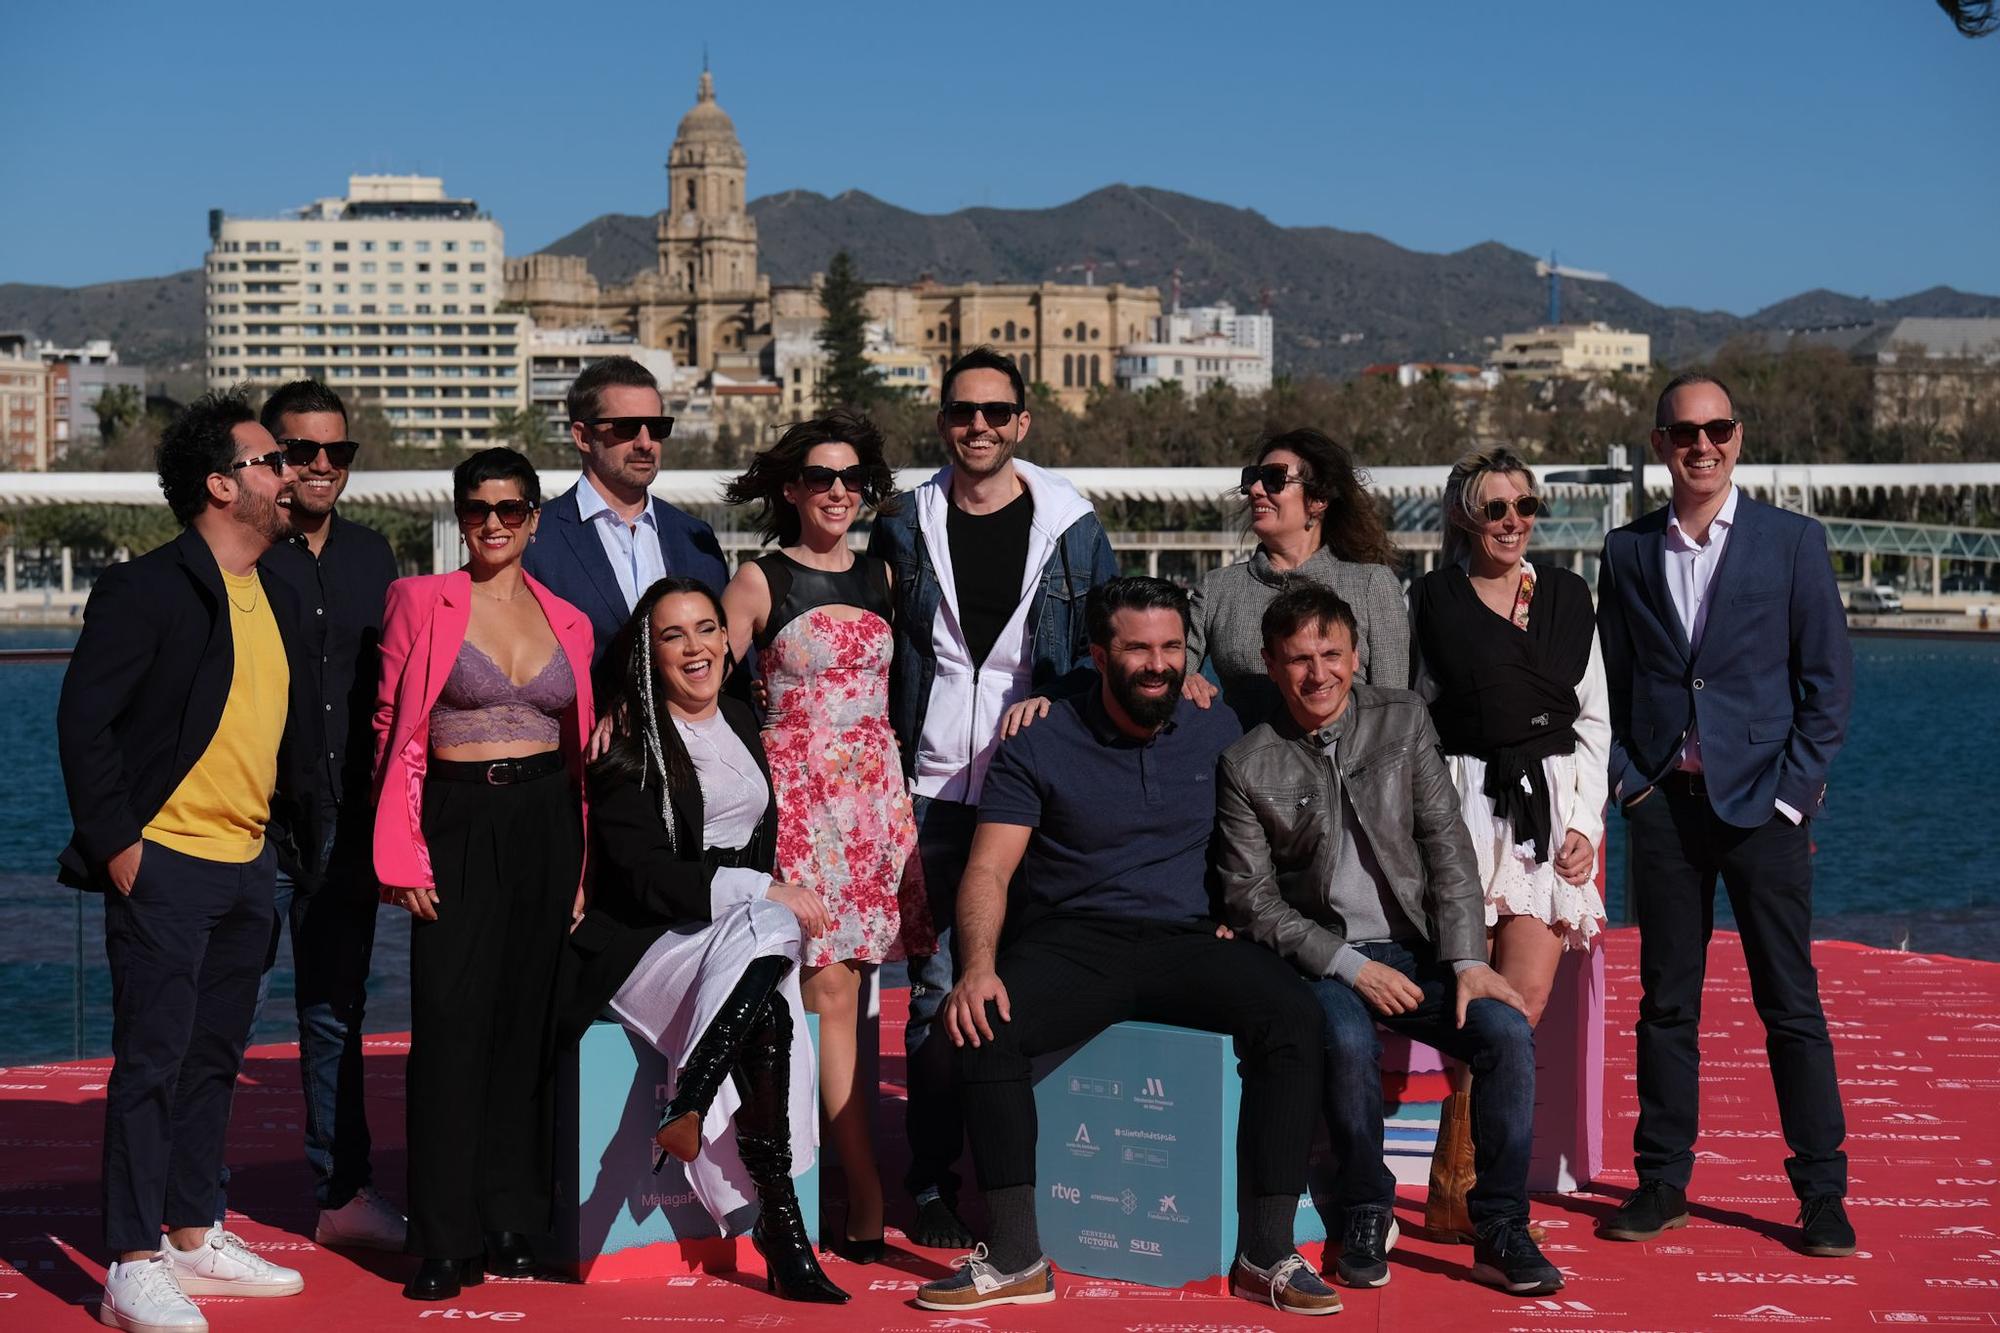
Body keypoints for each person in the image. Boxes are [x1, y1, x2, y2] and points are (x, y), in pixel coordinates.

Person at [914, 577, 1336, 1316]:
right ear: (1097, 655)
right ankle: (1015, 1257)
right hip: (1075, 941)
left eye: (1172, 647)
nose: (1157, 664)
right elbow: (987, 868)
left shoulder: (1218, 720)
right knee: (987, 1025)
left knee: (1294, 1016)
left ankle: (1266, 1250)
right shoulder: (1037, 741)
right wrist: (977, 967)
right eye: (1138, 647)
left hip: (1189, 938)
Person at [1213, 584, 1561, 1298]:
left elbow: (1448, 849)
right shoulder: (1248, 763)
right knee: (1343, 1037)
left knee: (1507, 1030)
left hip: (1423, 951)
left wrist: (1467, 959)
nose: (1319, 673)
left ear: (1357, 654)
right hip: (1324, 958)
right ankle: (1367, 1206)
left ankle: (1500, 1227)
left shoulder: (1403, 720)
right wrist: (1347, 966)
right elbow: (1252, 900)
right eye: (1299, 659)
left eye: (1331, 654)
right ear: (1271, 665)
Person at [58, 389, 318, 1333]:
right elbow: (84, 724)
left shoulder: (279, 587)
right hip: (164, 862)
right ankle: (130, 1263)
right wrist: (120, 847)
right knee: (152, 1063)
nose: (286, 473)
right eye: (267, 460)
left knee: (213, 1058)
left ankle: (191, 1231)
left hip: (249, 864)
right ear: (221, 483)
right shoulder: (149, 587)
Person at [1595, 373, 1856, 1257]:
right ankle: (1662, 1182)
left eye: (1717, 430)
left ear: (1738, 437)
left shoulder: (1792, 543)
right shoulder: (1626, 552)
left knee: (1791, 1004)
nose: (1701, 446)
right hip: (1665, 806)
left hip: (1764, 814)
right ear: (1661, 444)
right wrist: (1631, 781)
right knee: (1666, 1005)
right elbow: (1615, 684)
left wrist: (1792, 795)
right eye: (1684, 432)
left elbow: (1827, 687)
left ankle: (1822, 1193)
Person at [866, 346, 1118, 1248]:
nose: (978, 426)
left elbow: (1114, 638)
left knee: (1024, 985)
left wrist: (1087, 699)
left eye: (994, 412)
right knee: (936, 993)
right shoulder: (904, 521)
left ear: (1022, 422)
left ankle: (1020, 1170)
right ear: (944, 424)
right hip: (931, 787)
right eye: (961, 413)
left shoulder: (1072, 523)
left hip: (1036, 791)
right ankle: (932, 1178)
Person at [556, 578, 849, 1304]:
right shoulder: (629, 740)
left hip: (735, 938)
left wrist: (761, 896)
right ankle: (776, 1225)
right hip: (649, 944)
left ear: (727, 637)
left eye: (706, 628)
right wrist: (760, 889)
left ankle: (710, 1127)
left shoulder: (745, 719)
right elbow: (646, 878)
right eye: (673, 634)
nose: (695, 647)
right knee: (773, 926)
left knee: (771, 982)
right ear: (649, 655)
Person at [373, 448, 596, 1300]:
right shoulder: (420, 600)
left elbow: (583, 751)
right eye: (477, 509)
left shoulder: (569, 619)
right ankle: (444, 1234)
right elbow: (392, 727)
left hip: (547, 824)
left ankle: (511, 1220)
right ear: (460, 517)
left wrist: (585, 865)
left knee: (529, 1026)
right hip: (456, 821)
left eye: (510, 508)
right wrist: (399, 852)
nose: (493, 523)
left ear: (535, 517)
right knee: (450, 1027)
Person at [720, 411, 929, 1260]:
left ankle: (834, 1178)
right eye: (820, 477)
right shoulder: (758, 578)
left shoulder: (886, 572)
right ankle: (854, 1187)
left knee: (857, 999)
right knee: (830, 998)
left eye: (853, 479)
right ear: (790, 488)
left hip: (876, 802)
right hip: (802, 804)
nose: (838, 491)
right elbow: (704, 671)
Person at [1405, 447, 1608, 1244]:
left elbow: (1594, 721)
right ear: (1465, 514)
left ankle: (1479, 1191)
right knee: (1466, 1004)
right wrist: (1424, 822)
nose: (1514, 522)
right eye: (1497, 509)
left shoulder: (1567, 595)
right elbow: (1413, 716)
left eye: (1527, 507)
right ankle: (1456, 1185)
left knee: (1518, 1013)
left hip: (1549, 813)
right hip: (1461, 805)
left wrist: (1586, 825)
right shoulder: (1429, 599)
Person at [253, 380, 407, 1250]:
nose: (320, 464)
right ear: (269, 456)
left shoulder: (373, 557)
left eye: (336, 452)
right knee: (221, 1015)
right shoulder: (237, 555)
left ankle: (342, 1191)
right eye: (300, 450)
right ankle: (186, 1210)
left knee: (334, 1014)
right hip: (248, 824)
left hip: (346, 824)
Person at [524, 355, 730, 678]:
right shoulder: (536, 540)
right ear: (582, 436)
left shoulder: (695, 538)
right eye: (627, 427)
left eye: (658, 428)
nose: (646, 443)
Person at [1187, 428, 1408, 729]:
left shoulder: (1373, 586)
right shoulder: (1216, 590)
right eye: (1252, 477)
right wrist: (1185, 682)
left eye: (1274, 479)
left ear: (1318, 499)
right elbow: (1169, 670)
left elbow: (1393, 711)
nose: (1255, 490)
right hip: (1247, 770)